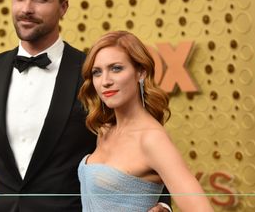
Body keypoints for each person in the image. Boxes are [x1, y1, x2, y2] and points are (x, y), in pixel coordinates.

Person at [0, 0, 172, 211]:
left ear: (63, 7)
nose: (26, 8)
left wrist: (161, 205)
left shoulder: (94, 73)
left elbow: (138, 141)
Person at [78, 31, 213, 212]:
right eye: (97, 72)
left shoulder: (152, 139)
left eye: (116, 68)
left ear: (141, 72)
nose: (105, 81)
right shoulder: (105, 130)